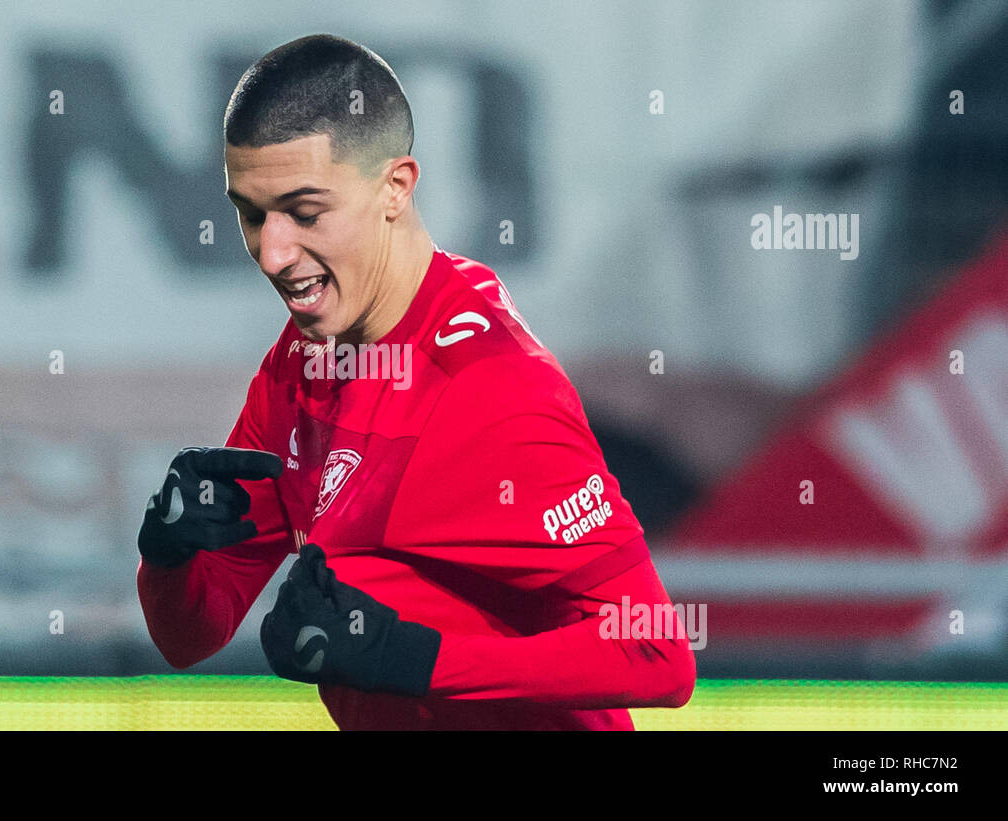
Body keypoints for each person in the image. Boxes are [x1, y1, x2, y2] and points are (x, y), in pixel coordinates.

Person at [136, 33, 695, 730]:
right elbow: (195, 631)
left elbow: (657, 652)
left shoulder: (492, 390)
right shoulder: (303, 362)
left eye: (306, 213)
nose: (274, 252)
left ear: (395, 187)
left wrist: (418, 659)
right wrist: (167, 554)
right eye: (252, 214)